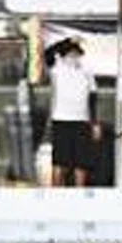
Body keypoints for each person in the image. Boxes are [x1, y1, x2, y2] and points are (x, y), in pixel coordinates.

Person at [45, 38, 97, 188]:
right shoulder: (56, 67)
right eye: (72, 52)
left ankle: (79, 192)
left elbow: (93, 96)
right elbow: (47, 53)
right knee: (60, 161)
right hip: (61, 118)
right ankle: (55, 194)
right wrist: (66, 40)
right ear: (65, 53)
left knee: (82, 161)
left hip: (82, 119)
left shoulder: (86, 69)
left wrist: (93, 122)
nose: (74, 56)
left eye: (77, 53)